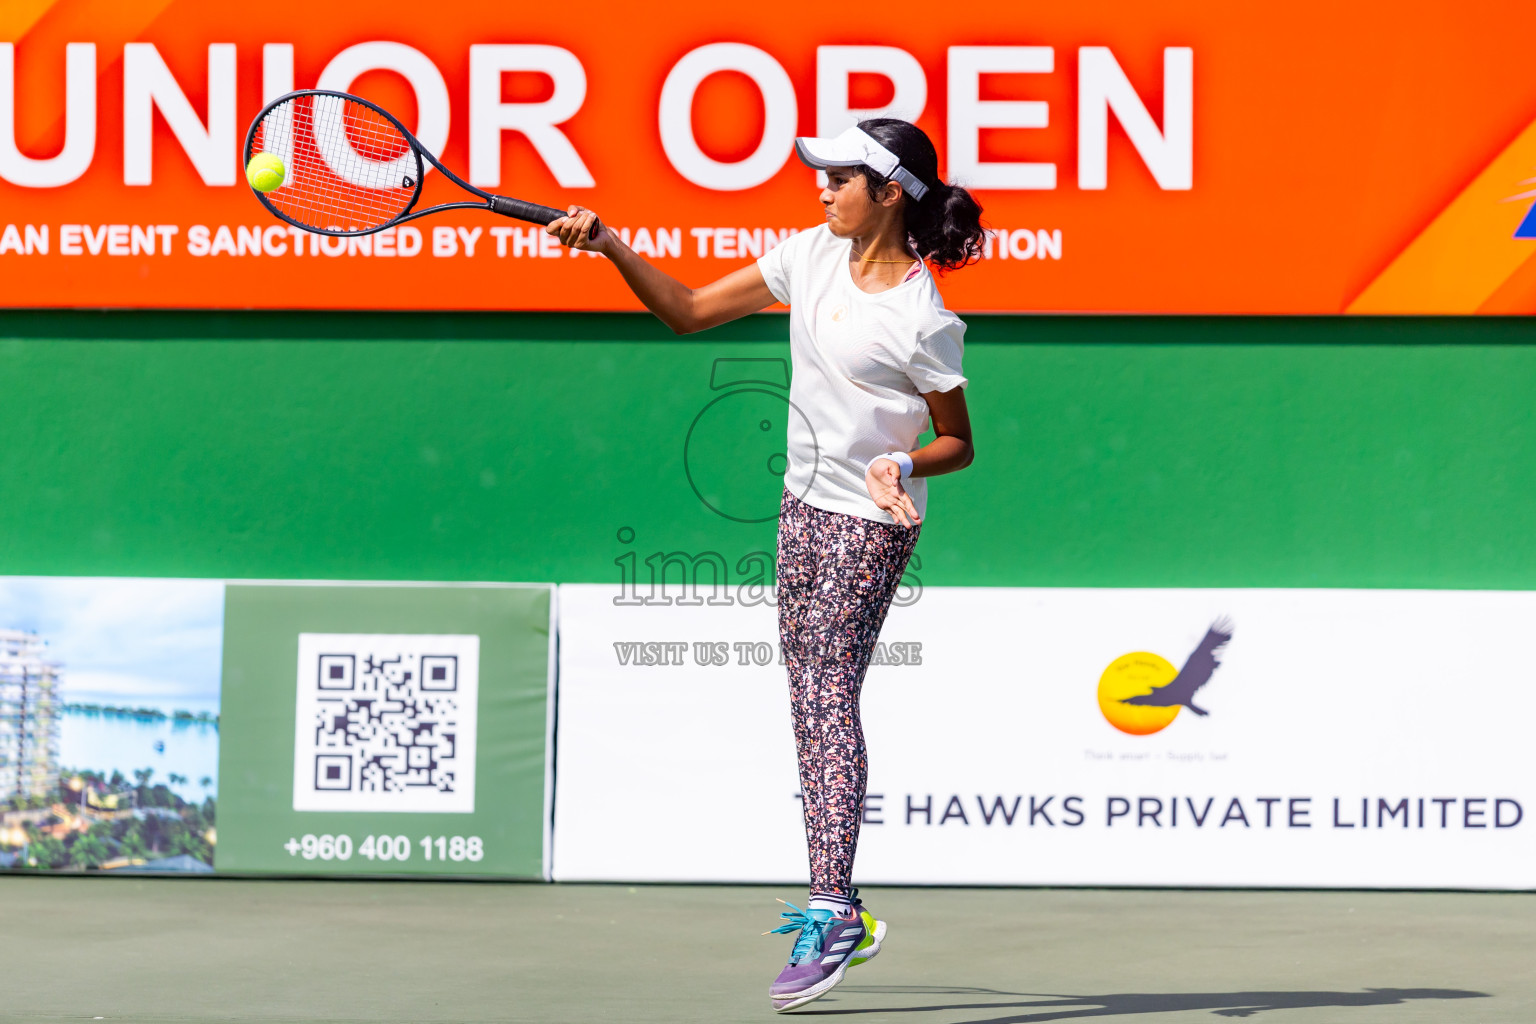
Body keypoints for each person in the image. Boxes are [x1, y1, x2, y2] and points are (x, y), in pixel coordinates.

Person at [546, 117, 984, 1012]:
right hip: (801, 507)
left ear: (888, 192)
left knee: (825, 695)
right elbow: (688, 312)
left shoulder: (922, 315)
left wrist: (899, 462)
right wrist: (610, 246)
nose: (821, 189)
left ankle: (833, 908)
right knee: (812, 700)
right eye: (822, 178)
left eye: (839, 179)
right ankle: (842, 899)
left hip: (873, 515)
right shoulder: (810, 255)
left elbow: (958, 442)